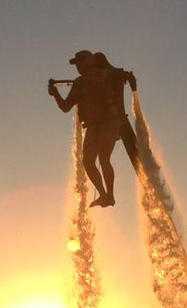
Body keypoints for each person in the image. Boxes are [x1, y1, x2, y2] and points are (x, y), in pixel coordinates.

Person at [48, 50, 136, 208]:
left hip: (110, 121)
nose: (78, 67)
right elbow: (66, 107)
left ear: (88, 61)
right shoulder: (79, 83)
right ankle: (104, 195)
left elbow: (120, 75)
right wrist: (55, 94)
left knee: (103, 158)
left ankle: (109, 195)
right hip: (94, 125)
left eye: (80, 62)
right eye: (77, 64)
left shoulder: (105, 74)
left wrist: (128, 77)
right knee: (87, 162)